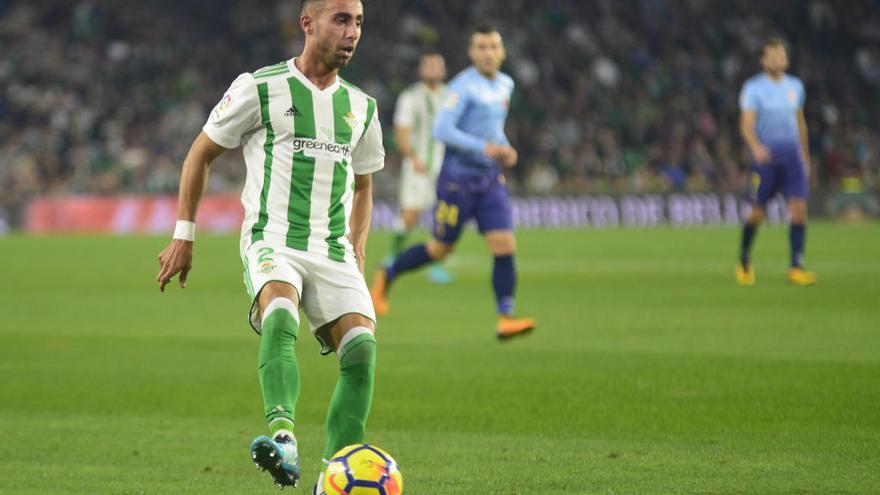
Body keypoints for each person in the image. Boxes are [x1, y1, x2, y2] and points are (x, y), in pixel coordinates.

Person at [155, 0, 384, 491]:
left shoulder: (362, 108)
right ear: (308, 23)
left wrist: (359, 248)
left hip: (333, 249)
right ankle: (283, 438)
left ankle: (333, 476)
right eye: (342, 20)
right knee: (280, 311)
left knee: (362, 349)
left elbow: (364, 184)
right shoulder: (259, 88)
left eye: (359, 22)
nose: (353, 32)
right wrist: (184, 233)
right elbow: (200, 154)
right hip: (272, 238)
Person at [371, 26, 535, 339]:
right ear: (472, 53)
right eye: (481, 47)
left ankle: (505, 316)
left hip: (489, 180)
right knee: (438, 250)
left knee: (504, 245)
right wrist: (484, 148)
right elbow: (442, 131)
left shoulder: (505, 84)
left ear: (502, 52)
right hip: (457, 183)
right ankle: (387, 273)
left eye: (492, 47)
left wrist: (504, 149)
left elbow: (494, 129)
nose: (487, 53)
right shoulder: (461, 87)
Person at [737, 38, 816, 286]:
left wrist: (805, 154)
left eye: (780, 56)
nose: (777, 60)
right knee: (758, 212)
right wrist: (756, 148)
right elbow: (746, 124)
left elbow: (800, 122)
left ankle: (796, 266)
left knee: (799, 209)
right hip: (767, 158)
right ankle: (744, 260)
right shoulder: (754, 88)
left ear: (786, 60)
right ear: (763, 61)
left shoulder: (795, 86)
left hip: (792, 157)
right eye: (772, 56)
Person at [388, 51, 454, 284]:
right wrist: (413, 157)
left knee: (443, 216)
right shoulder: (410, 97)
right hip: (418, 165)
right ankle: (392, 258)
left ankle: (436, 264)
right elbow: (402, 132)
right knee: (410, 214)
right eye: (428, 65)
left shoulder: (452, 96)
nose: (433, 69)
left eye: (437, 65)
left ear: (444, 70)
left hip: (446, 167)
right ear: (421, 69)